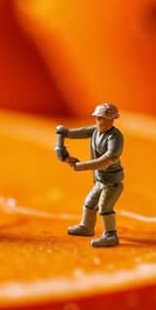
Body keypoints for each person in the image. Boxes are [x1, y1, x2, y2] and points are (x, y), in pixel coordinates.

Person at [55, 102, 125, 248]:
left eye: (103, 118)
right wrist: (66, 133)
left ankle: (111, 235)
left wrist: (81, 166)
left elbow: (106, 160)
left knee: (105, 207)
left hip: (112, 182)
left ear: (112, 119)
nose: (99, 121)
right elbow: (82, 132)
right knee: (89, 203)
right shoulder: (95, 131)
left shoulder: (115, 137)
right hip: (100, 180)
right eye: (98, 118)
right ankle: (87, 226)